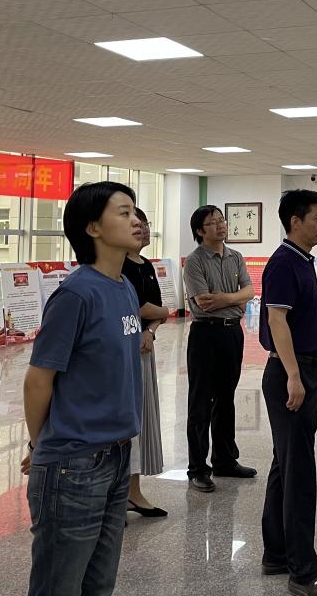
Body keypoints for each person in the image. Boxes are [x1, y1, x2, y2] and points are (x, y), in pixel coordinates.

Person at [21, 181, 144, 596]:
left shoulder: (125, 287)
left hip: (117, 454)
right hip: (74, 463)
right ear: (92, 228)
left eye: (135, 212)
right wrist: (40, 444)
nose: (136, 220)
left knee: (98, 583)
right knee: (60, 585)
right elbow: (39, 379)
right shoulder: (76, 294)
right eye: (124, 212)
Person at [259, 189, 317, 596]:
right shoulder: (283, 262)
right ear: (295, 221)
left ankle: (276, 552)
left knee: (285, 464)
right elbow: (277, 321)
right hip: (291, 373)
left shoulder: (302, 260)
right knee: (299, 473)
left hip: (304, 369)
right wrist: (294, 376)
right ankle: (303, 571)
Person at [183, 205, 256, 492]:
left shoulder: (235, 257)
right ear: (200, 231)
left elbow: (250, 292)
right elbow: (204, 302)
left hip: (232, 333)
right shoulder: (194, 261)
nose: (221, 225)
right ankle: (197, 468)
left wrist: (226, 298)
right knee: (201, 402)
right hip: (205, 334)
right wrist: (236, 299)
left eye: (221, 220)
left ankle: (225, 460)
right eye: (213, 222)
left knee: (226, 398)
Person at [121, 207, 170, 516]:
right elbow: (136, 307)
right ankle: (120, 494)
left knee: (140, 419)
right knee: (126, 420)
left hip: (143, 347)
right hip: (123, 350)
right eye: (136, 224)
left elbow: (156, 309)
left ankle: (133, 492)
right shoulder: (118, 266)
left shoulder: (146, 265)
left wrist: (151, 329)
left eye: (146, 223)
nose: (143, 229)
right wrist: (159, 313)